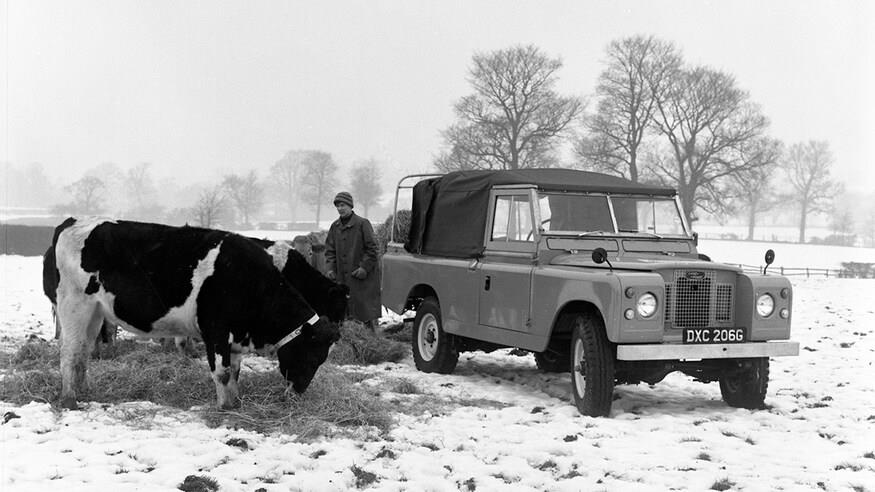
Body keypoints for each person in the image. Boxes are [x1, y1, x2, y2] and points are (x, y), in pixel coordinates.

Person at [325, 191, 381, 330]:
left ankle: (372, 342)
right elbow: (330, 250)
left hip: (361, 278)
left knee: (364, 313)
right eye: (337, 206)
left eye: (342, 205)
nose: (340, 208)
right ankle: (348, 343)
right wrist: (330, 268)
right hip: (342, 279)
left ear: (350, 206)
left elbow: (372, 248)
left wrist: (364, 268)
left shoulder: (363, 224)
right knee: (344, 313)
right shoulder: (334, 226)